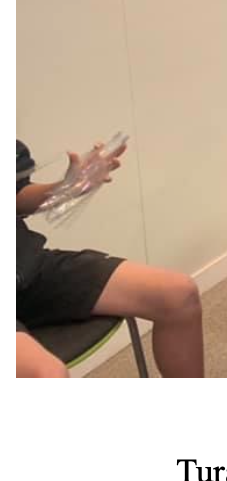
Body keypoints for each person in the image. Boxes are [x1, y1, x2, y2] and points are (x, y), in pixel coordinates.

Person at [17, 136, 203, 378]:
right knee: (47, 374)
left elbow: (16, 195)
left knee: (179, 294)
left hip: (22, 263)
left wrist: (67, 187)